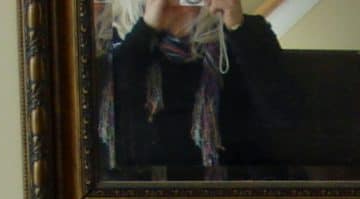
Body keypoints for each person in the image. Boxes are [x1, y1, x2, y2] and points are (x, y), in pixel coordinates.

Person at [99, 0, 300, 179]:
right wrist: (146, 30)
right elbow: (109, 125)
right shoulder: (122, 43)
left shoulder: (246, 31)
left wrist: (238, 28)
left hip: (236, 194)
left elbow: (285, 118)